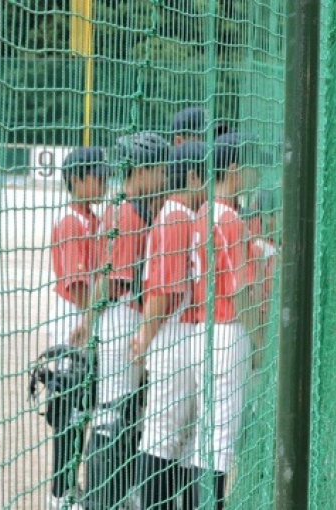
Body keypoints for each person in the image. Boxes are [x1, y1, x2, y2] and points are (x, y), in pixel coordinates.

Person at [70, 132, 170, 509]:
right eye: (159, 169)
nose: (164, 176)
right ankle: (100, 499)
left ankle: (111, 496)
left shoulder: (127, 207)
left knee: (122, 414)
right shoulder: (126, 214)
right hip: (121, 321)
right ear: (141, 171)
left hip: (121, 319)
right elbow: (110, 283)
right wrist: (89, 322)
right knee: (114, 415)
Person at [131, 141, 207, 510]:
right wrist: (145, 337)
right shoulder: (180, 215)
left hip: (177, 336)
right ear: (192, 177)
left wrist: (144, 338)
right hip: (178, 335)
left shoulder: (177, 215)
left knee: (171, 437)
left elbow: (165, 291)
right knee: (172, 437)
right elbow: (165, 290)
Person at [191, 132, 261, 509]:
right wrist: (260, 343)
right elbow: (239, 292)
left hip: (204, 331)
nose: (256, 175)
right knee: (220, 440)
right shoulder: (228, 217)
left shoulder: (203, 210)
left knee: (206, 435)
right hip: (227, 331)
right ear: (234, 169)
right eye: (251, 167)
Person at [47, 146, 111, 509]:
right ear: (76, 179)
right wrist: (93, 321)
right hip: (73, 321)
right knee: (70, 411)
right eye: (97, 176)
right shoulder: (73, 221)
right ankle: (61, 494)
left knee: (84, 408)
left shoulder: (92, 218)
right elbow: (79, 286)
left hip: (87, 321)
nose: (103, 182)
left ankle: (72, 489)